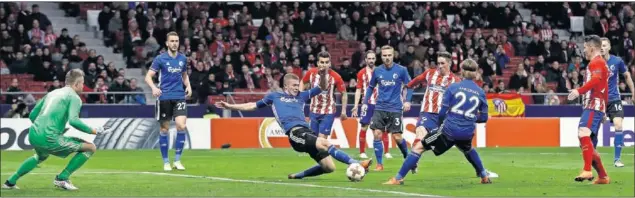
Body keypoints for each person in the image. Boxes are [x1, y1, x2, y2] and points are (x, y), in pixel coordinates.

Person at [215, 70, 372, 180]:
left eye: (298, 85)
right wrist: (231, 107)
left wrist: (323, 75)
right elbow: (251, 105)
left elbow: (322, 87)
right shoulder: (274, 97)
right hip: (295, 133)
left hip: (307, 131)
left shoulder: (301, 96)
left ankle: (299, 175)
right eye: (294, 86)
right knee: (324, 143)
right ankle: (356, 163)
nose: (298, 88)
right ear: (286, 86)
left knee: (329, 167)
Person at [383, 59, 493, 185]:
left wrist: (442, 125)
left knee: (419, 147)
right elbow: (484, 118)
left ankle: (398, 178)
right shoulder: (480, 92)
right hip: (467, 132)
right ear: (476, 73)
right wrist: (471, 118)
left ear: (462, 72)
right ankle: (484, 176)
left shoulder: (453, 87)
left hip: (449, 130)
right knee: (468, 149)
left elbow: (442, 113)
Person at [2, 69, 111, 190]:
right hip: (49, 137)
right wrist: (94, 131)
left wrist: (42, 128)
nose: (83, 86)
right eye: (82, 83)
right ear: (76, 84)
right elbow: (74, 121)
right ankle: (62, 178)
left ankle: (10, 182)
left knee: (40, 157)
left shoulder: (51, 93)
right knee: (90, 148)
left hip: (33, 133)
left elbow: (32, 115)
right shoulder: (74, 97)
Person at [407, 52, 498, 178]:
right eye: (438, 63)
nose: (439, 66)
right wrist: (407, 98)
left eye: (442, 63)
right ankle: (412, 163)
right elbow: (413, 83)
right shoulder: (430, 73)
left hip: (446, 118)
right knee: (420, 133)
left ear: (449, 64)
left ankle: (481, 170)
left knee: (465, 148)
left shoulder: (456, 81)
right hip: (428, 113)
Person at [145, 31, 192, 171]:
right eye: (172, 41)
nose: (174, 43)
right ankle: (166, 161)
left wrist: (188, 86)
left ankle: (177, 160)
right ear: (167, 43)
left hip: (179, 96)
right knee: (164, 129)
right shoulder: (160, 59)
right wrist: (154, 88)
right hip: (164, 97)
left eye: (176, 41)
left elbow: (184, 74)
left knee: (181, 126)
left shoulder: (183, 58)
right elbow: (148, 77)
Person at [567, 35, 610, 184]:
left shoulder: (596, 62)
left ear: (592, 48)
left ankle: (587, 170)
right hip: (597, 106)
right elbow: (605, 87)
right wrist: (604, 110)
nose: (584, 50)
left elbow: (597, 80)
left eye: (585, 47)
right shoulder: (599, 63)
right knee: (588, 145)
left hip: (593, 105)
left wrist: (578, 91)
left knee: (582, 132)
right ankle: (603, 176)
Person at [362, 45, 413, 171]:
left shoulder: (401, 70)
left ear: (393, 55)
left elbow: (410, 86)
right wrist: (364, 102)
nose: (387, 58)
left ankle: (408, 159)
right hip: (380, 107)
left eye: (389, 55)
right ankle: (379, 164)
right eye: (384, 55)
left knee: (397, 137)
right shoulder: (377, 71)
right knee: (377, 134)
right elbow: (370, 87)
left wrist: (407, 101)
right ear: (381, 56)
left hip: (395, 108)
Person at [600, 37, 635, 168]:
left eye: (604, 45)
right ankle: (591, 158)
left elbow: (627, 76)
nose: (602, 47)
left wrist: (633, 91)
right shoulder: (595, 63)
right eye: (600, 46)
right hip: (599, 100)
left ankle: (617, 159)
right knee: (591, 129)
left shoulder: (617, 61)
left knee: (618, 125)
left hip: (614, 99)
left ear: (609, 47)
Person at [351, 50, 390, 159]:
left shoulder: (382, 71)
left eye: (373, 58)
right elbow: (358, 90)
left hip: (380, 104)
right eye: (369, 58)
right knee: (364, 127)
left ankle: (386, 152)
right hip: (366, 104)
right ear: (366, 60)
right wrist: (355, 105)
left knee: (384, 128)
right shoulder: (361, 73)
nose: (371, 60)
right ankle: (362, 152)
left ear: (375, 59)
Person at [300, 52, 348, 139]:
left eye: (326, 62)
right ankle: (324, 152)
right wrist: (299, 96)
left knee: (322, 138)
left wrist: (343, 110)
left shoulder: (336, 77)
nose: (324, 64)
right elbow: (303, 82)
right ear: (318, 63)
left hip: (328, 111)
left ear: (330, 63)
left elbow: (344, 94)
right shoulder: (311, 73)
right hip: (313, 110)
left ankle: (325, 151)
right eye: (322, 62)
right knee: (313, 139)